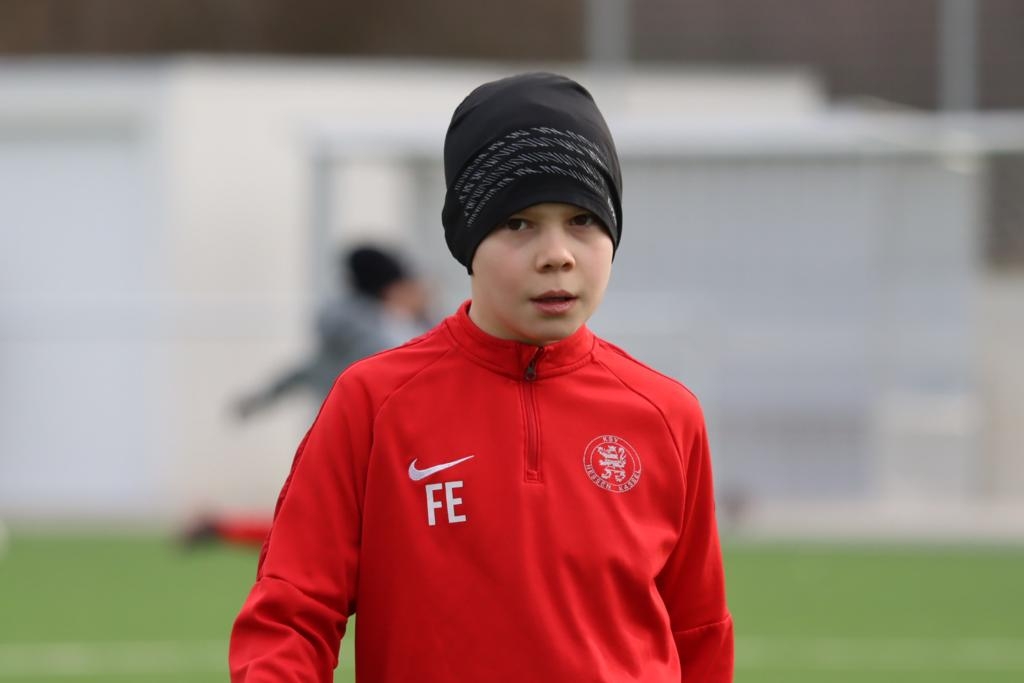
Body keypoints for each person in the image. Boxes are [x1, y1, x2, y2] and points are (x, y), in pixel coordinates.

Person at [230, 73, 733, 682]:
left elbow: (699, 633)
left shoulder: (667, 414)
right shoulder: (374, 402)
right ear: (466, 237)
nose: (557, 254)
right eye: (519, 223)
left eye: (582, 219)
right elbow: (293, 611)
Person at [182, 244, 432, 550]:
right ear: (389, 286)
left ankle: (220, 529)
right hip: (380, 445)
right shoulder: (381, 334)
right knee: (335, 529)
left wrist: (259, 400)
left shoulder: (364, 327)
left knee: (321, 527)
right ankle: (221, 529)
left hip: (349, 441)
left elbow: (303, 371)